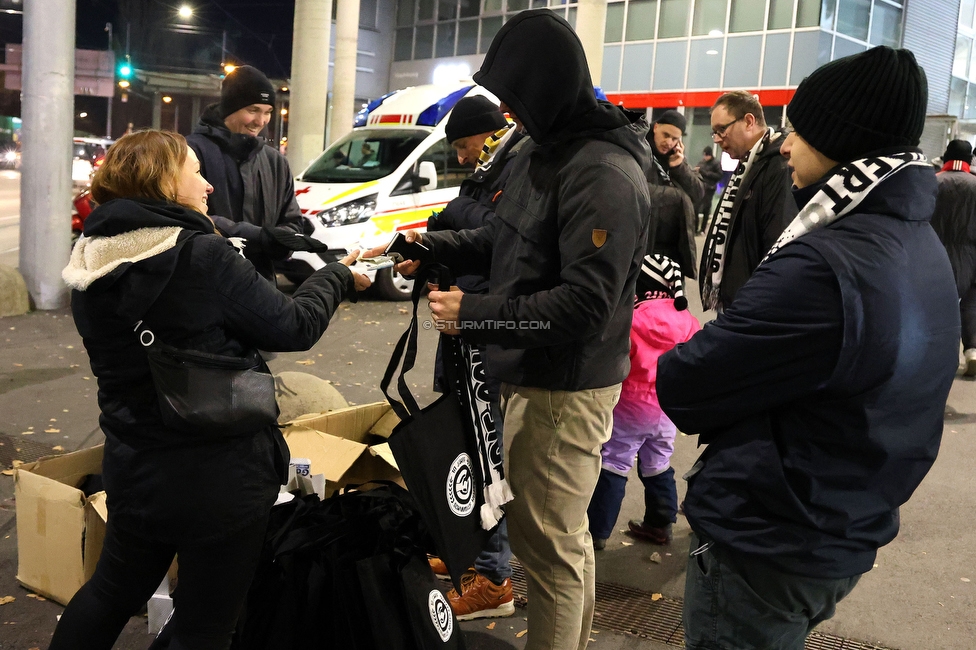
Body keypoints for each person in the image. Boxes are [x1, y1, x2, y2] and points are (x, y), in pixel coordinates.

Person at [657, 47, 959, 650]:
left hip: (769, 535)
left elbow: (686, 384)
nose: (786, 145)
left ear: (842, 141)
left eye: (800, 130)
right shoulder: (917, 241)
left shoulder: (824, 264)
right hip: (840, 524)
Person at [373, 10, 652, 650]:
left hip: (565, 389)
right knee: (559, 541)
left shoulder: (602, 170)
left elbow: (585, 305)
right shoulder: (544, 148)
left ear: (548, 89)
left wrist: (472, 315)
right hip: (537, 375)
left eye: (516, 101)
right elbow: (504, 237)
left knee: (546, 552)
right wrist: (432, 247)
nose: (510, 116)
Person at [52, 130, 370, 650]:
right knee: (205, 622)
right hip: (219, 476)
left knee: (111, 591)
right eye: (194, 172)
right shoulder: (200, 256)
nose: (207, 186)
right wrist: (336, 276)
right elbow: (292, 326)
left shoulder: (90, 260)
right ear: (162, 183)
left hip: (136, 466)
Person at [426, 94, 525, 620]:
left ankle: (493, 577)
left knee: (486, 455)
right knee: (465, 445)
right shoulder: (492, 166)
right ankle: (473, 557)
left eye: (464, 147)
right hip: (469, 327)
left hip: (489, 329)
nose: (462, 159)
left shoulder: (518, 163)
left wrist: (455, 213)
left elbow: (494, 234)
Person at [586, 255, 700, 550]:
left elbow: (615, 361)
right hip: (666, 409)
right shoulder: (688, 321)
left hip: (630, 408)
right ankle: (661, 525)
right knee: (658, 463)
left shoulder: (631, 319)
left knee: (614, 463)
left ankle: (596, 533)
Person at [187, 65, 308, 283]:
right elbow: (187, 218)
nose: (261, 121)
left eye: (268, 112)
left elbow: (292, 220)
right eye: (253, 110)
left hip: (262, 289)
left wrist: (282, 241)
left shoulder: (276, 162)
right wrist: (258, 237)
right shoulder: (190, 153)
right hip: (205, 288)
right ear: (229, 109)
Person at [699, 90, 797, 310]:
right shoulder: (747, 166)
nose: (717, 139)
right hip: (738, 299)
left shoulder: (778, 167)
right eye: (714, 132)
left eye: (722, 130)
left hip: (754, 305)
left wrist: (755, 305)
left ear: (749, 121)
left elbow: (777, 244)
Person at [930, 139, 976, 376]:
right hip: (971, 251)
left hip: (936, 251)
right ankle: (972, 351)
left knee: (936, 303)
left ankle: (935, 353)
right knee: (971, 302)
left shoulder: (934, 182)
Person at [645, 110, 702, 280]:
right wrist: (676, 197)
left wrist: (679, 166)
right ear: (656, 127)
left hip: (673, 251)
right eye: (666, 135)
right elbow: (636, 190)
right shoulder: (639, 151)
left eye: (675, 139)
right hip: (647, 245)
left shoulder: (676, 159)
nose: (668, 142)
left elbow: (698, 193)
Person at [694, 146, 722, 233]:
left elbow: (719, 175)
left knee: (706, 208)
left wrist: (704, 172)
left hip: (709, 188)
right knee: (696, 207)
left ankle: (702, 229)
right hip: (700, 187)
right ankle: (695, 228)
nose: (705, 157)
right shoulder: (702, 162)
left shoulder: (716, 163)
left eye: (706, 155)